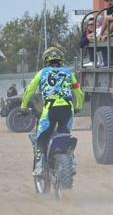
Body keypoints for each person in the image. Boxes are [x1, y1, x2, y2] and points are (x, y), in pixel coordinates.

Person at [20, 47, 84, 176]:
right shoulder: (69, 73)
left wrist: (23, 106)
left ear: (46, 60)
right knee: (65, 135)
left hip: (50, 109)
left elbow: (29, 90)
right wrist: (79, 106)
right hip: (67, 109)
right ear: (61, 60)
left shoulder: (42, 73)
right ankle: (70, 163)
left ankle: (39, 167)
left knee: (41, 139)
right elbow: (79, 93)